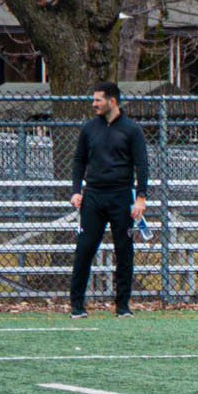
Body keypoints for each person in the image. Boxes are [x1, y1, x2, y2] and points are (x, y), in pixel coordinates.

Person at [67, 82, 148, 318]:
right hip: (93, 196)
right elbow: (79, 160)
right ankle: (77, 306)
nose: (94, 104)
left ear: (112, 101)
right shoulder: (89, 129)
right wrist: (76, 190)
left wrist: (141, 198)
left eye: (98, 100)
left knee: (124, 251)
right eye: (93, 100)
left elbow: (141, 164)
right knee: (85, 249)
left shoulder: (132, 130)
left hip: (121, 196)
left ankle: (122, 306)